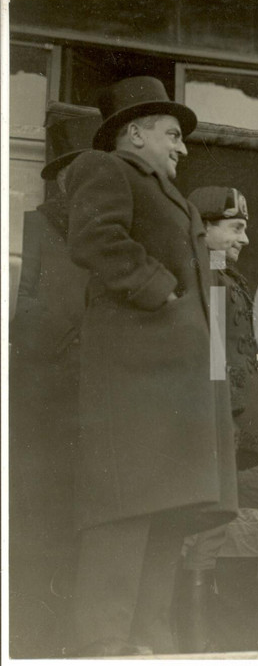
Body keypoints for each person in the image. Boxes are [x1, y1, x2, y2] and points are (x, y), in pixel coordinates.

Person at [64, 76, 239, 656]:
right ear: (133, 133)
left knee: (166, 518)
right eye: (171, 133)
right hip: (132, 384)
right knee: (124, 517)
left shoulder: (174, 197)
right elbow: (93, 237)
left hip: (172, 388)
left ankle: (149, 648)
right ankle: (104, 649)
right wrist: (157, 289)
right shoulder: (105, 168)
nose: (182, 147)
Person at [9, 113, 101, 657]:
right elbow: (17, 306)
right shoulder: (28, 227)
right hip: (39, 403)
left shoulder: (114, 235)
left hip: (96, 406)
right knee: (36, 525)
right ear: (63, 178)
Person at [175, 186, 258, 652]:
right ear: (206, 227)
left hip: (230, 419)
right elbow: (211, 357)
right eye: (235, 227)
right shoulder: (205, 275)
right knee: (200, 527)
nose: (245, 239)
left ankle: (199, 640)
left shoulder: (222, 275)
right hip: (215, 422)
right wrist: (226, 418)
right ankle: (192, 643)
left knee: (211, 528)